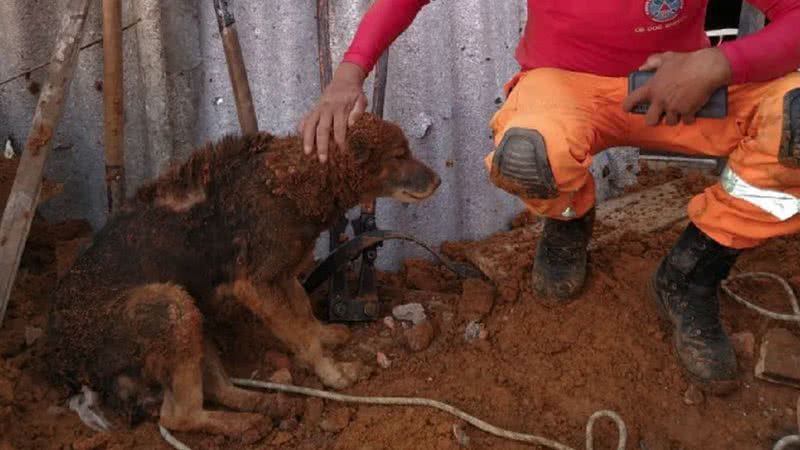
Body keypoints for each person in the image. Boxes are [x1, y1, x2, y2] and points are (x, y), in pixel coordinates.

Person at [300, 0, 800, 391]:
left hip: (682, 87)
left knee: (796, 122)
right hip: (567, 84)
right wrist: (350, 74)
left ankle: (691, 274)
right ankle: (568, 222)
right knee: (529, 154)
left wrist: (720, 62)